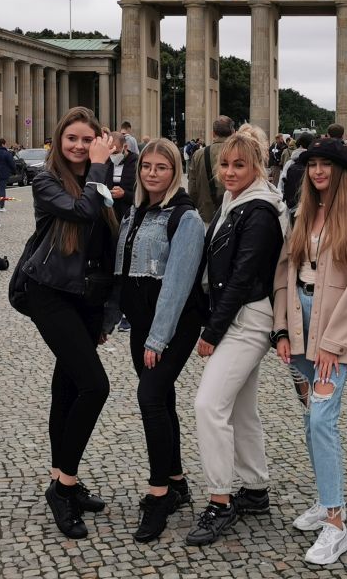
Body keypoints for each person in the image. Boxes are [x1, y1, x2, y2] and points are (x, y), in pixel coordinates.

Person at [271, 138, 347, 565]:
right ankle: (324, 499)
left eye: (326, 164)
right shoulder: (300, 214)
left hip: (334, 327)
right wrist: (280, 328)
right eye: (312, 164)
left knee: (321, 420)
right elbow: (284, 272)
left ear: (341, 171)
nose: (317, 171)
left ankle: (336, 523)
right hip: (299, 323)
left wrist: (334, 343)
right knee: (310, 419)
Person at [187, 124, 288, 547]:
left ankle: (220, 500)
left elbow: (243, 276)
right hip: (238, 315)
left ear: (257, 167)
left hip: (246, 319)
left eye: (239, 165)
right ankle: (255, 488)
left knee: (208, 405)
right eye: (225, 164)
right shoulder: (236, 200)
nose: (229, 172)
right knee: (242, 408)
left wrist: (211, 332)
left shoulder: (259, 211)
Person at [22, 107, 119, 539]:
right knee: (95, 386)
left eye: (87, 139)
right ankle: (62, 489)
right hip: (49, 293)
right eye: (72, 139)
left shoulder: (100, 181)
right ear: (59, 141)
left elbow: (106, 244)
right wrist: (99, 168)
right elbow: (81, 212)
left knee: (67, 386)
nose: (79, 146)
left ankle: (63, 477)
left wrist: (106, 311)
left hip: (86, 297)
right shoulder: (45, 181)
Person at [116, 138, 205, 543]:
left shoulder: (185, 217)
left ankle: (159, 494)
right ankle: (177, 480)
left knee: (150, 397)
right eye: (147, 166)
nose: (152, 173)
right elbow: (122, 271)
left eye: (162, 167)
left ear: (175, 172)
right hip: (141, 323)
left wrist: (157, 338)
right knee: (162, 398)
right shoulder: (135, 212)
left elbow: (178, 284)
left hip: (172, 326)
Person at [187, 115, 233, 224]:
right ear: (233, 132)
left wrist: (199, 206)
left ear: (213, 133)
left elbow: (192, 188)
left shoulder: (198, 154)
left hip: (207, 214)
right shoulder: (240, 153)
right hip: (234, 214)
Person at [282, 132, 315, 208]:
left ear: (299, 145)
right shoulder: (314, 161)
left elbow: (282, 183)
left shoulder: (290, 163)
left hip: (292, 204)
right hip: (311, 204)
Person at [110, 132, 137, 222]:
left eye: (115, 152)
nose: (112, 156)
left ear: (125, 147)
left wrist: (125, 194)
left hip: (129, 215)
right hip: (109, 215)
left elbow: (143, 195)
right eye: (110, 152)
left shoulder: (136, 162)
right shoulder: (107, 161)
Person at [0, 139, 17, 211]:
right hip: (4, 173)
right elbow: (11, 163)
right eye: (5, 144)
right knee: (2, 189)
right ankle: (2, 206)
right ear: (3, 144)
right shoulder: (6, 153)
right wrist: (14, 172)